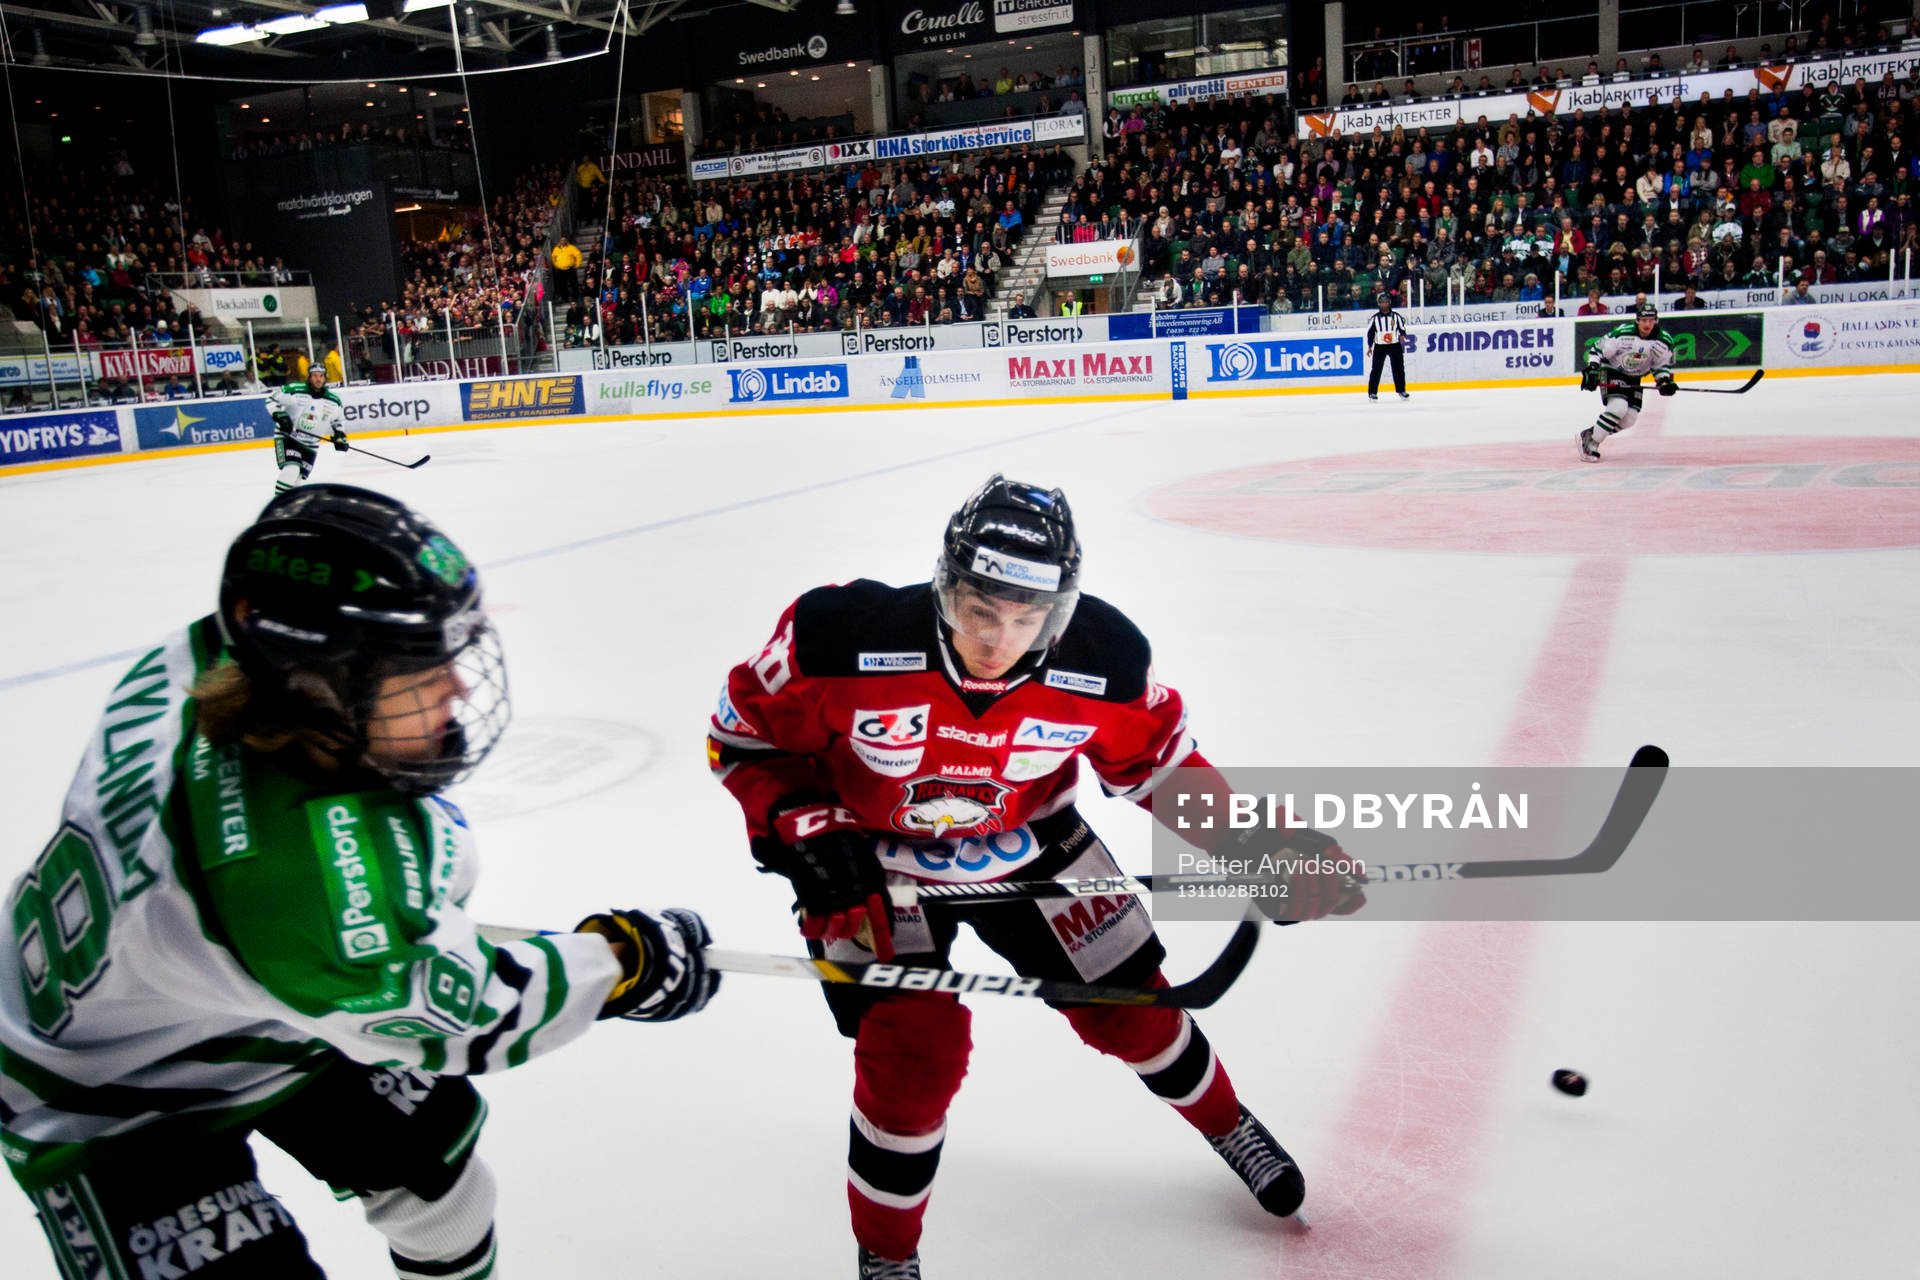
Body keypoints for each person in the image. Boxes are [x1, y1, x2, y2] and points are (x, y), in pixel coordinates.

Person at [0, 485, 719, 1279]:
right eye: (421, 668)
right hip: (102, 1093)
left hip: (242, 1003)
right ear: (317, 684)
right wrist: (623, 963)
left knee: (434, 1171)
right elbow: (477, 1018)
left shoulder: (214, 655)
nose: (459, 689)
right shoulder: (310, 896)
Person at [707, 476, 1366, 1280]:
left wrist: (1257, 850)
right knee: (915, 1058)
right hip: (869, 860)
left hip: (1030, 842)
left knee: (1136, 1013)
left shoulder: (1104, 660)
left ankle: (1227, 1123)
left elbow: (1159, 765)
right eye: (982, 611)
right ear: (946, 587)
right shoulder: (840, 639)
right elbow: (739, 741)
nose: (1000, 642)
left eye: (1029, 618)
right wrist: (809, 824)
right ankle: (886, 1255)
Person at [1579, 301, 1676, 462]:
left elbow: (1660, 366)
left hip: (1635, 377)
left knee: (1630, 418)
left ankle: (1592, 432)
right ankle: (1592, 442)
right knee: (1618, 408)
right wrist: (1592, 369)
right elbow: (1597, 348)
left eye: (1651, 320)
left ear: (1656, 321)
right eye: (1644, 320)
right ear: (1637, 320)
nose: (1647, 324)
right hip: (1612, 370)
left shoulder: (1664, 341)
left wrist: (1664, 381)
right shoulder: (1623, 333)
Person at [268, 364, 348, 496]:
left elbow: (338, 421)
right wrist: (279, 415)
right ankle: (277, 506)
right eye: (315, 376)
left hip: (311, 444)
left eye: (321, 376)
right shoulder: (295, 390)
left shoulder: (334, 401)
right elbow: (271, 399)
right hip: (289, 437)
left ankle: (288, 508)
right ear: (309, 377)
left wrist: (340, 436)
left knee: (298, 480)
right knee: (292, 469)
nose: (318, 379)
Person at [1364, 291, 1410, 400]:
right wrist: (1370, 346)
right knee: (1376, 369)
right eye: (1382, 302)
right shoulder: (1375, 318)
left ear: (1389, 303)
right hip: (1380, 346)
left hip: (1394, 345)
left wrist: (1403, 335)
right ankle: (1372, 392)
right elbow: (1370, 333)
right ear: (1379, 304)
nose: (1384, 304)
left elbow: (1402, 328)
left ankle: (1401, 390)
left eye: (1386, 302)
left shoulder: (1396, 316)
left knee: (1398, 368)